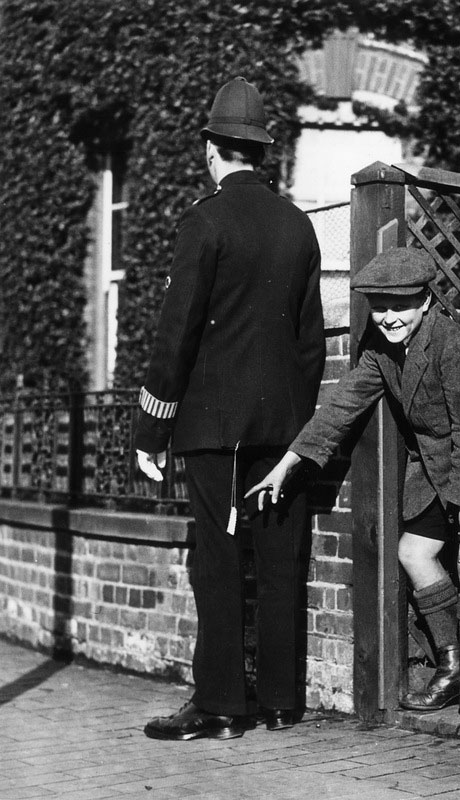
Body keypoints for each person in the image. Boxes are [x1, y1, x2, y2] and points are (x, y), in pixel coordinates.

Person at [246, 246, 460, 727]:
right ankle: (450, 666)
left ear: (425, 302)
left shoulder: (452, 343)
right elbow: (341, 406)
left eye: (400, 305)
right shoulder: (379, 350)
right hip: (438, 466)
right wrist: (287, 464)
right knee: (412, 553)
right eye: (379, 306)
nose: (388, 317)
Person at [135, 76, 325, 741]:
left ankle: (219, 706)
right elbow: (309, 346)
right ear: (260, 152)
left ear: (211, 149)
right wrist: (302, 434)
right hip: (282, 426)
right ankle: (279, 701)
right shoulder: (298, 226)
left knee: (215, 561)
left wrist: (151, 429)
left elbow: (176, 330)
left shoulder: (203, 219)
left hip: (212, 427)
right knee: (280, 564)